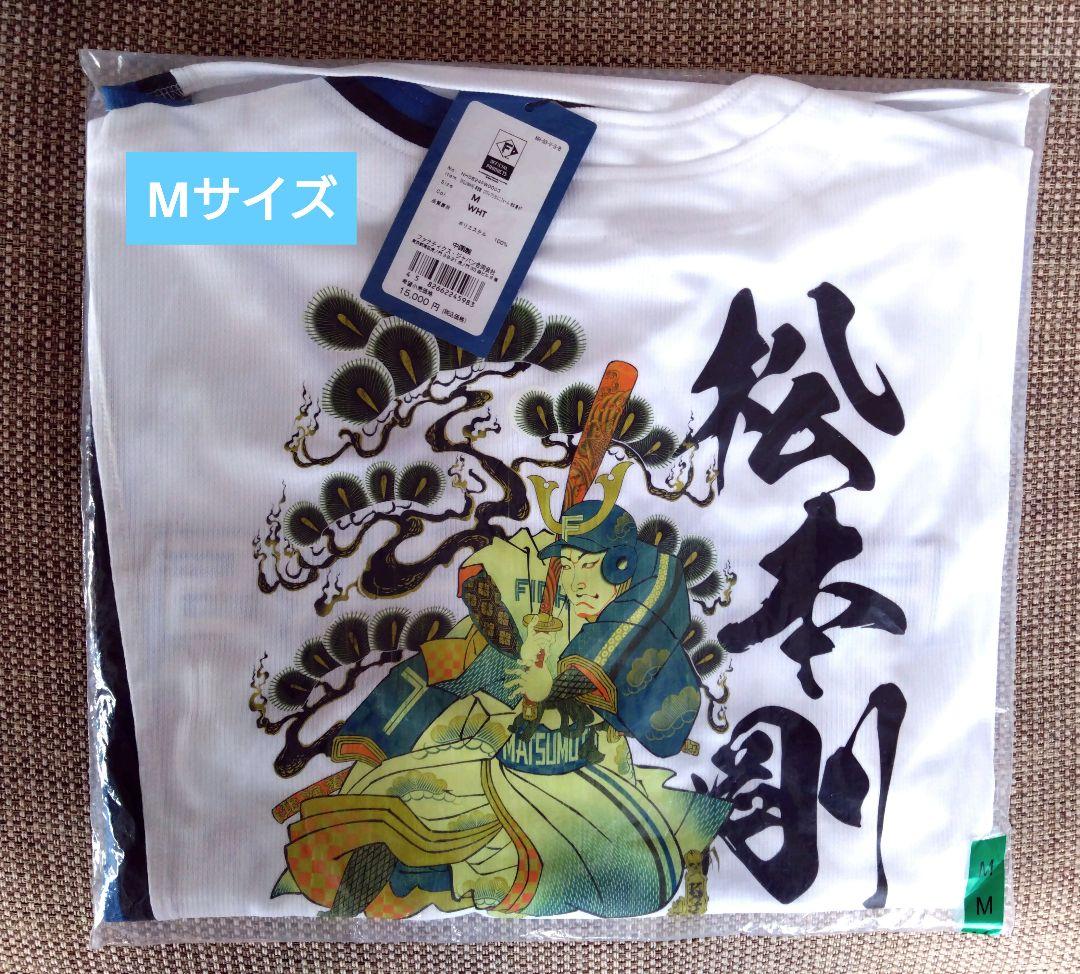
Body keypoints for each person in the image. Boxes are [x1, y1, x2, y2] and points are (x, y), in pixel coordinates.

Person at [271, 500, 731, 919]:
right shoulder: (552, 613)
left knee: (628, 871)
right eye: (569, 566)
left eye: (590, 566)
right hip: (505, 763)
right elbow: (486, 586)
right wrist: (520, 651)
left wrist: (551, 686)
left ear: (621, 567)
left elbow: (610, 673)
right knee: (399, 804)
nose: (576, 581)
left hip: (581, 780)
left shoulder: (634, 618)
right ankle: (342, 918)